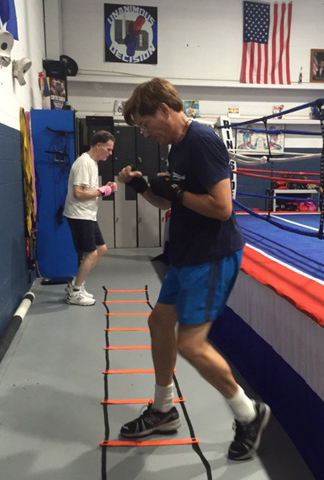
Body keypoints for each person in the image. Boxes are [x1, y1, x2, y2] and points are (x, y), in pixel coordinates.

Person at [116, 77, 270, 461]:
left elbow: (222, 208)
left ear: (163, 110)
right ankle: (164, 410)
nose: (145, 133)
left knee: (190, 344)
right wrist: (142, 187)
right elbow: (172, 203)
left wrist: (178, 192)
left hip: (211, 256)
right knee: (159, 323)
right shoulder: (177, 147)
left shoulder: (201, 141)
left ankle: (249, 413)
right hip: (185, 255)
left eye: (146, 124)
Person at [63, 131, 118, 306]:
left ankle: (75, 284)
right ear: (98, 145)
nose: (110, 153)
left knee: (101, 248)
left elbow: (88, 189)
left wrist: (104, 188)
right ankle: (75, 292)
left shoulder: (92, 163)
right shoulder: (84, 163)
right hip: (79, 215)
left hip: (88, 215)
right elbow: (78, 193)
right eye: (108, 149)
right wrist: (102, 191)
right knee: (91, 253)